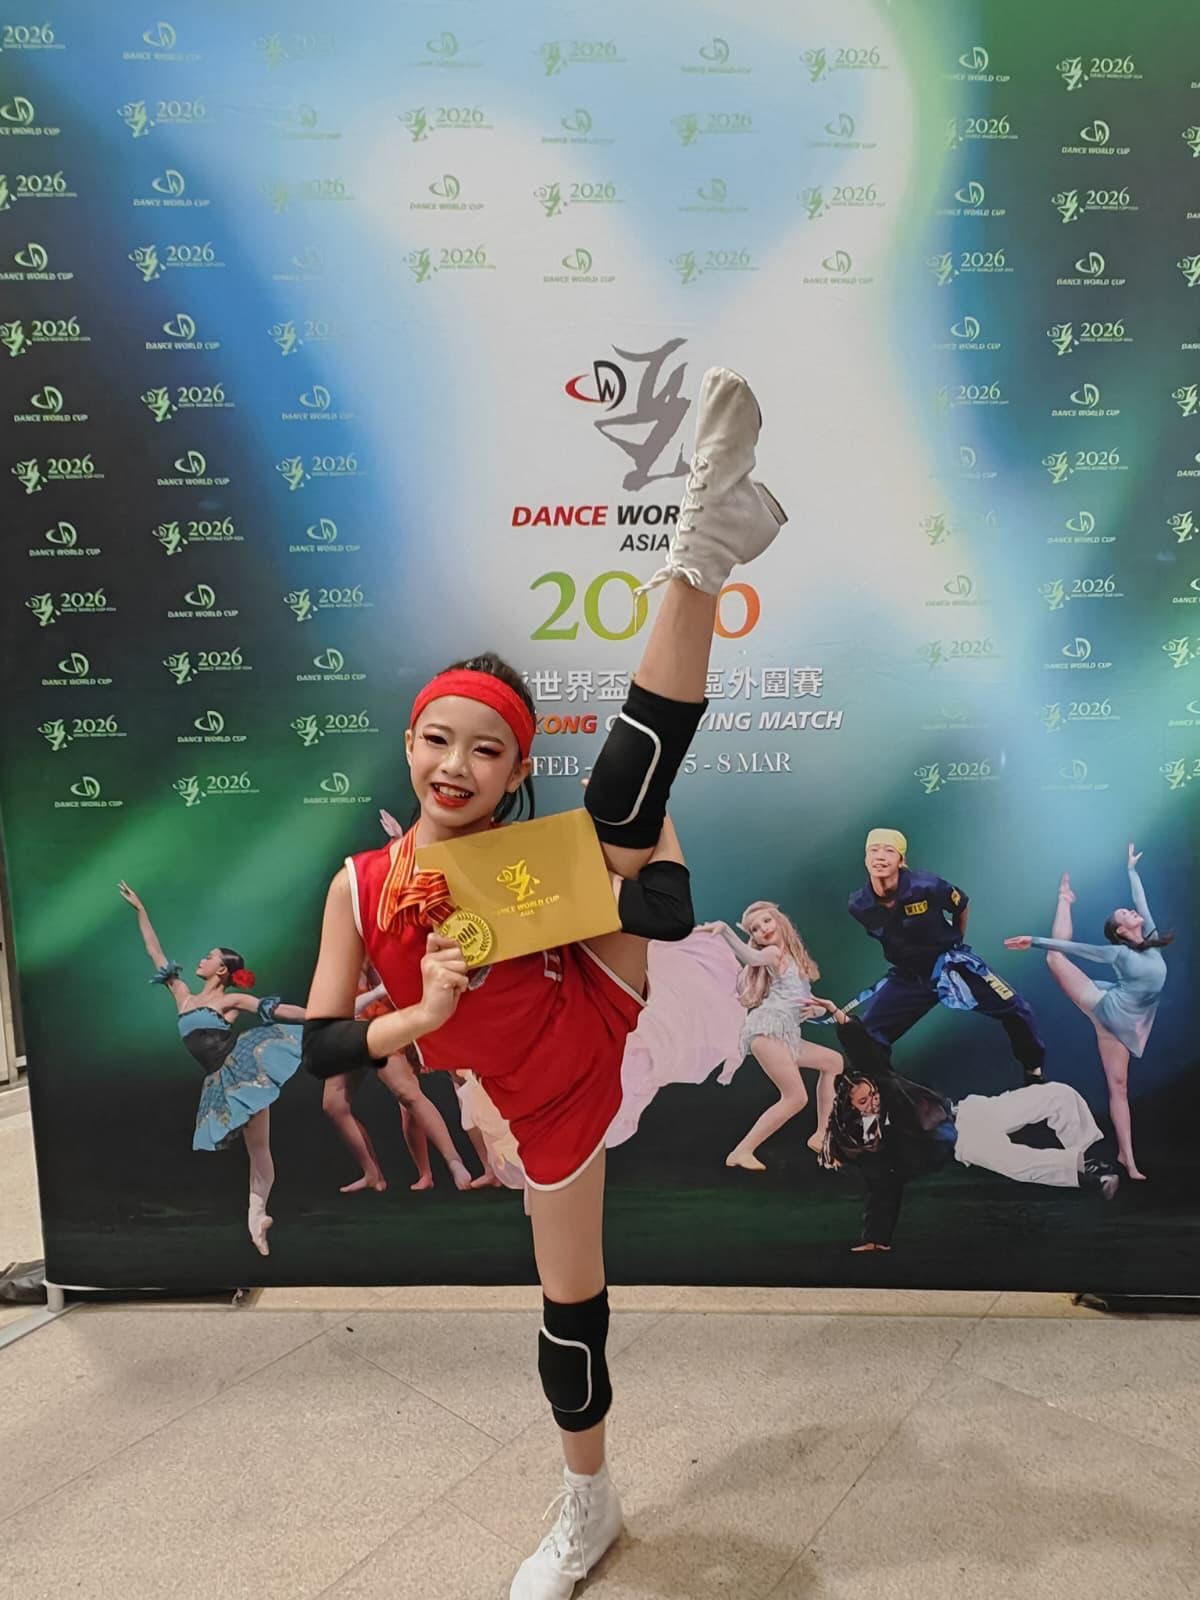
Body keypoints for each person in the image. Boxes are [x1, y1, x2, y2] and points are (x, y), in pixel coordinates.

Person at [300, 366, 786, 1600]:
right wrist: (423, 1019)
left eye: (488, 749)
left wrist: (606, 889)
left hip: (609, 1014)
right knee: (570, 1310)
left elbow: (659, 905)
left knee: (626, 800)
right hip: (540, 1107)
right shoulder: (361, 885)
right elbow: (319, 1049)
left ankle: (700, 541)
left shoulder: (530, 860)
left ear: (516, 771)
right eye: (438, 739)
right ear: (409, 744)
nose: (456, 764)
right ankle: (590, 1502)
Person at [810, 998, 1120, 1252]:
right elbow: (883, 1187)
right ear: (852, 1108)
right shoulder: (872, 1141)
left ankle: (1093, 1158)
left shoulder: (884, 1084)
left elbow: (862, 1051)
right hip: (964, 1144)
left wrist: (837, 1014)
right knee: (1016, 1162)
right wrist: (875, 1238)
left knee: (1057, 1095)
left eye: (872, 1094)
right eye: (864, 1102)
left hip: (971, 1112)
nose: (873, 1101)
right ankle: (1088, 1173)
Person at [117, 881, 306, 1256]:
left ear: (221, 969)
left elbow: (280, 1010)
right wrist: (141, 910)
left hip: (243, 1068)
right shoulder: (183, 995)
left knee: (259, 1148)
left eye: (208, 957)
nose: (201, 960)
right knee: (256, 1149)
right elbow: (155, 952)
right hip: (220, 1080)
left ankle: (257, 1214)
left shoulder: (231, 1001)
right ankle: (257, 1219)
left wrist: (319, 1013)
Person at [1004, 842, 1172, 1181]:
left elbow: (1141, 900)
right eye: (1124, 914)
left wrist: (1131, 870)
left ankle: (1125, 1155)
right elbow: (1077, 948)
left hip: (1130, 1017)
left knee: (1119, 1086)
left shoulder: (1150, 938)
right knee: (1055, 957)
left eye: (1128, 911)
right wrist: (1034, 940)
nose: (1131, 912)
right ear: (1120, 931)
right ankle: (1064, 900)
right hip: (1106, 1009)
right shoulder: (1119, 953)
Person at [846, 827, 1046, 1085]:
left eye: (889, 851)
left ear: (901, 860)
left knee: (1017, 1009)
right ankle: (888, 1091)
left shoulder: (927, 885)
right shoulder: (859, 905)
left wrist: (955, 942)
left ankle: (1033, 1072)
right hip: (910, 977)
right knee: (867, 1034)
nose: (880, 857)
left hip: (949, 964)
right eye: (874, 850)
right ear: (866, 858)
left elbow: (960, 904)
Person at [700, 903, 842, 1168]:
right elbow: (752, 958)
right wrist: (726, 931)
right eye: (755, 929)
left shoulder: (793, 958)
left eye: (766, 921)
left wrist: (814, 1011)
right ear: (754, 937)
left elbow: (802, 998)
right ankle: (742, 1151)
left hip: (785, 1034)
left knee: (833, 1062)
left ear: (779, 921)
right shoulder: (772, 953)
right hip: (767, 1032)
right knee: (796, 1098)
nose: (762, 929)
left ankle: (822, 1133)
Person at [320, 968, 475, 1193]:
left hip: (381, 1024)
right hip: (349, 1030)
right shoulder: (339, 962)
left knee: (407, 1093)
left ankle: (453, 1162)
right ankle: (373, 1175)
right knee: (333, 1104)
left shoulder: (377, 957)